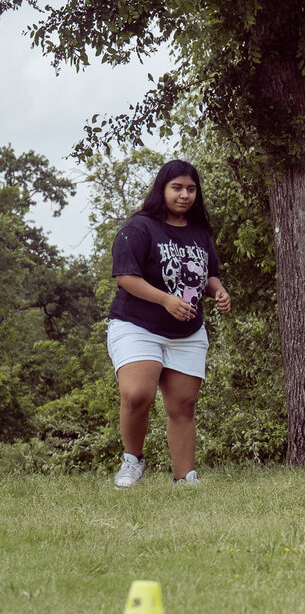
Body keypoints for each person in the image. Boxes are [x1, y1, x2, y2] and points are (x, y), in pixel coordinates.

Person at [107, 160, 231, 488]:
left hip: (186, 332)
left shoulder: (199, 231)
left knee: (183, 404)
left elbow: (209, 274)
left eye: (191, 189)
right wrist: (165, 299)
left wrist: (218, 291)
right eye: (177, 187)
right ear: (162, 189)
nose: (185, 195)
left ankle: (184, 478)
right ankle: (132, 461)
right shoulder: (139, 227)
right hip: (137, 325)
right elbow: (125, 276)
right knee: (137, 394)